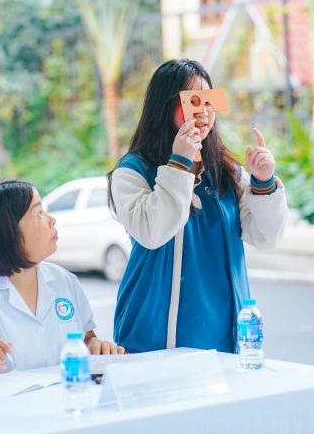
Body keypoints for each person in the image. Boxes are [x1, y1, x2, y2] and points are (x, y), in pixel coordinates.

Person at [108, 59, 288, 354]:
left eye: (208, 100)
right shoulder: (133, 171)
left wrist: (263, 182)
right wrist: (179, 163)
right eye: (192, 101)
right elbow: (152, 232)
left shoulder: (227, 171)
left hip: (223, 338)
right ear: (164, 106)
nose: (203, 111)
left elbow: (265, 237)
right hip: (154, 341)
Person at [0, 180, 124, 383]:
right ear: (7, 233)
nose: (52, 220)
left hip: (66, 399)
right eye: (39, 214)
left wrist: (95, 345)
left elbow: (86, 338)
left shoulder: (64, 281)